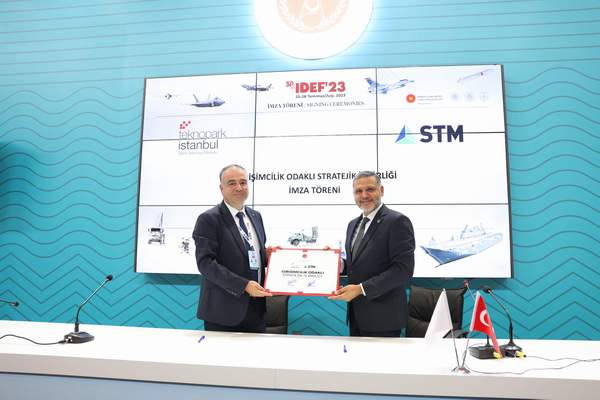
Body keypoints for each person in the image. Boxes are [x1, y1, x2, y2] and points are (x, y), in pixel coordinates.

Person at [329, 171, 415, 337]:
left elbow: (403, 269)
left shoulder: (397, 221)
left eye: (370, 189)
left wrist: (361, 289)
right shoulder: (352, 225)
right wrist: (335, 264)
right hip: (356, 316)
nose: (364, 195)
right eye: (358, 191)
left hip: (384, 319)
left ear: (381, 190)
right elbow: (356, 265)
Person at [193, 164, 272, 333]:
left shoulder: (256, 216)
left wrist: (271, 256)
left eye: (243, 182)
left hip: (256, 309)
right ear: (221, 188)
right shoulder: (209, 219)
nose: (239, 187)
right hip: (223, 311)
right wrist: (244, 285)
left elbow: (251, 255)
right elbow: (206, 263)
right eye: (232, 183)